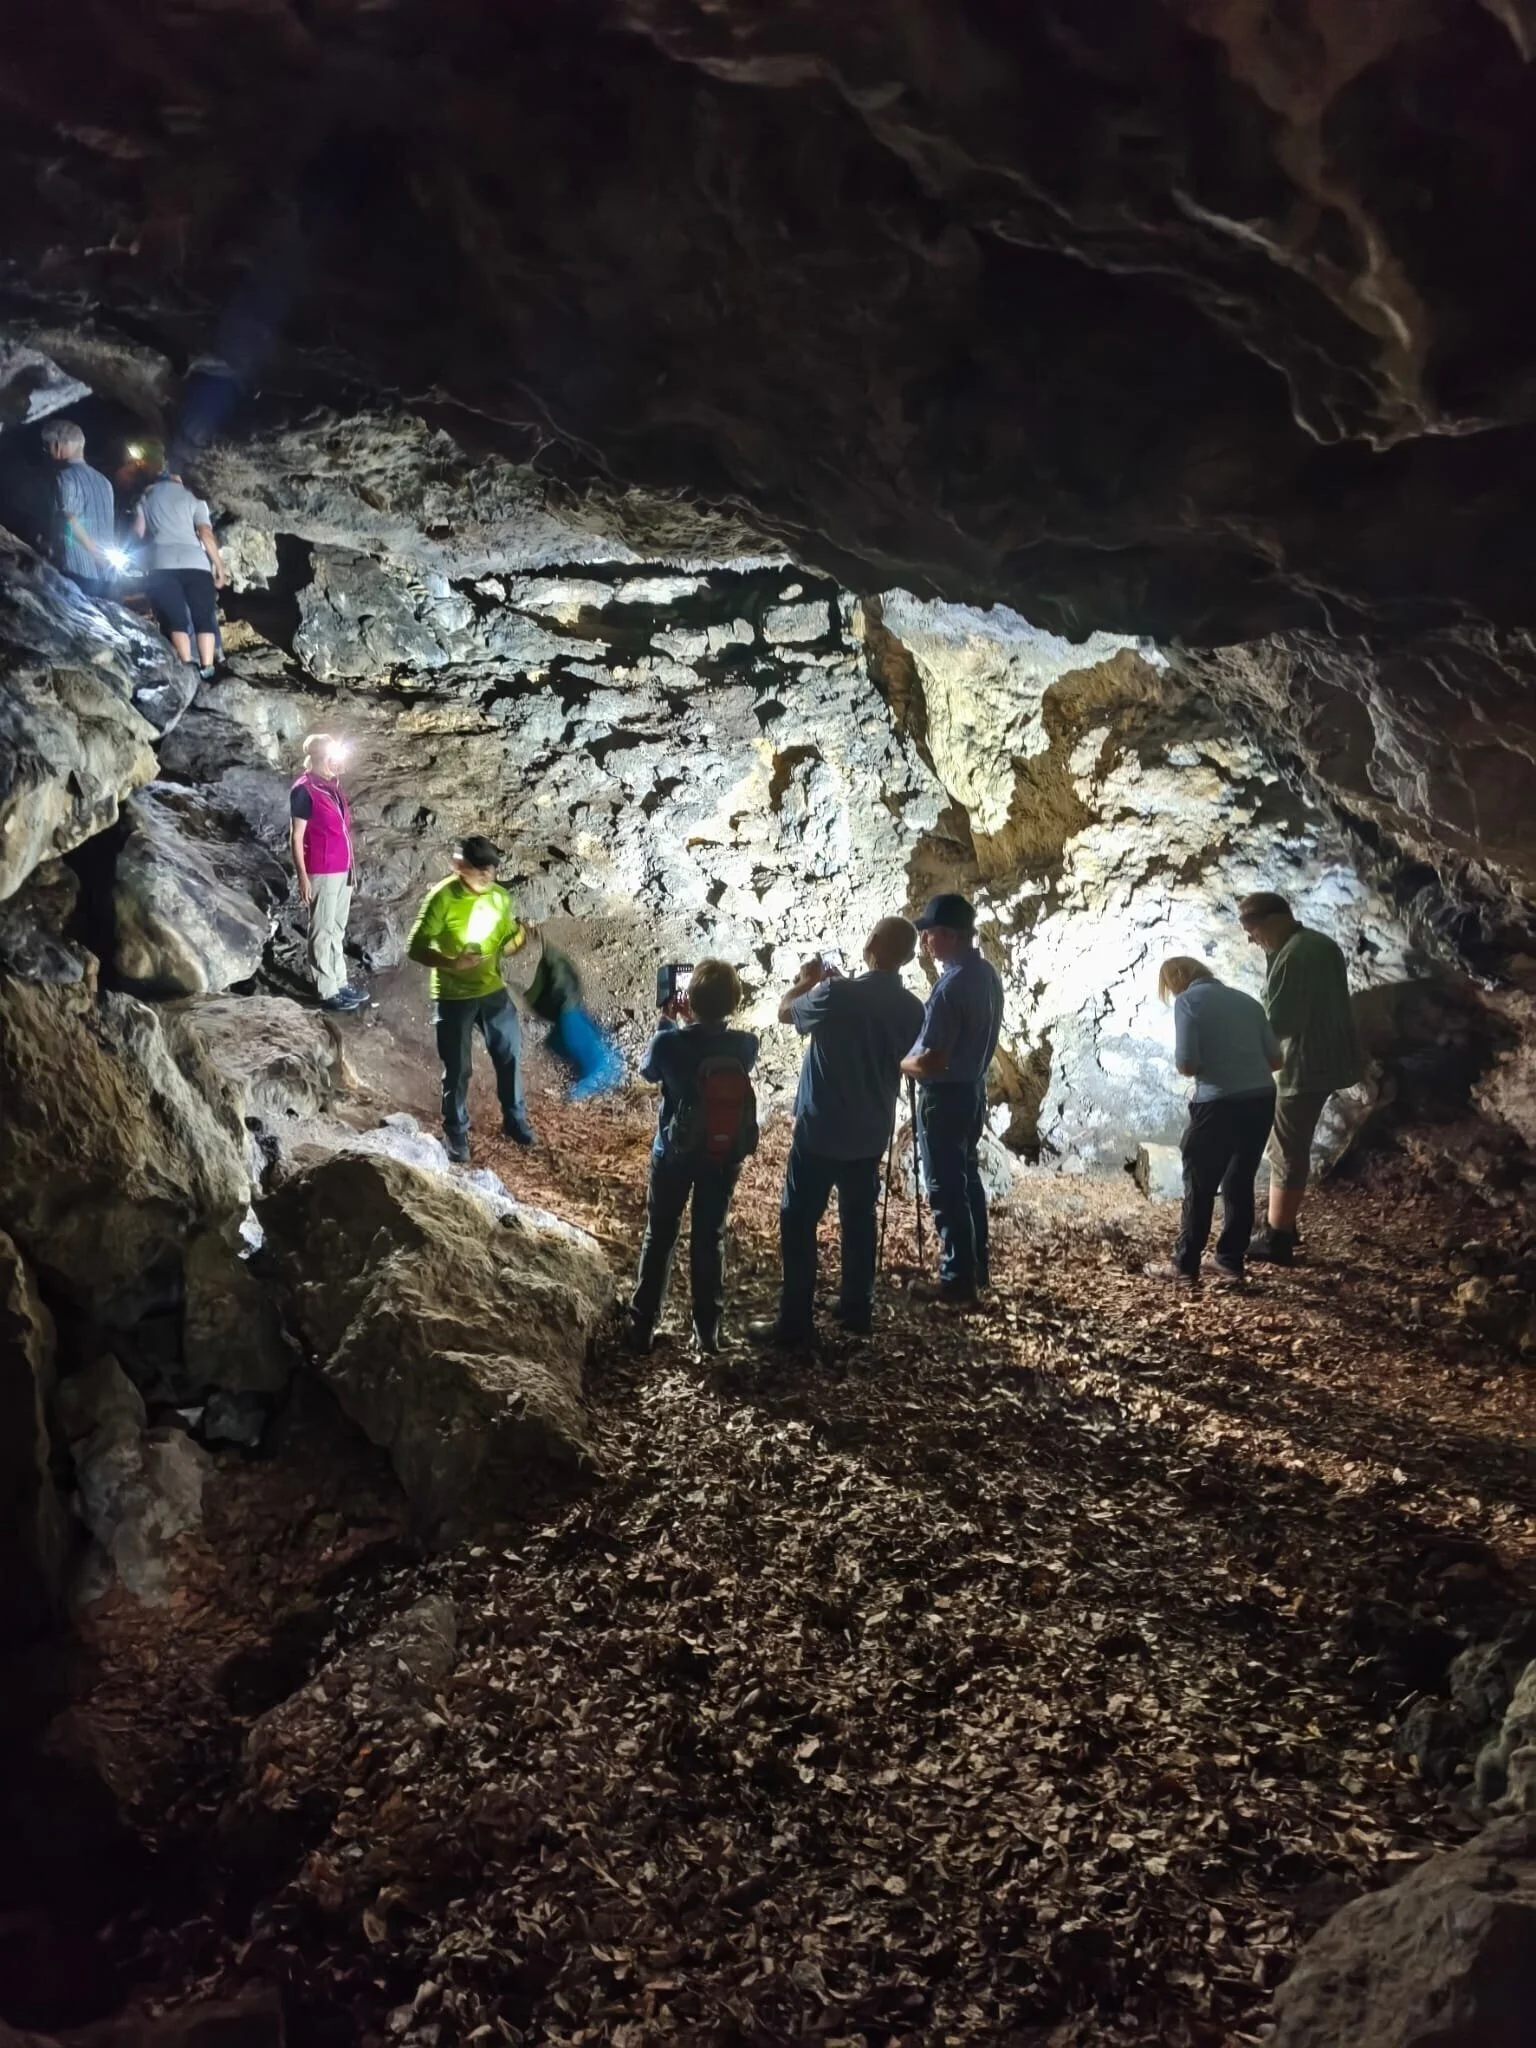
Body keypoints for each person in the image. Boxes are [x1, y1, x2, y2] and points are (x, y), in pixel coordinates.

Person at [750, 918, 925, 1346]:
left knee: (798, 1220)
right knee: (859, 1219)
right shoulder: (913, 1009)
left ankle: (795, 1323)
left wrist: (808, 981)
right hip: (870, 1132)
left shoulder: (834, 993)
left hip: (822, 1129)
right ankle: (856, 1308)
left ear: (873, 943)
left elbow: (786, 1011)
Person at [628, 959, 758, 1357]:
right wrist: (696, 1023)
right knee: (709, 1236)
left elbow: (649, 1072)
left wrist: (669, 1023)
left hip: (674, 1153)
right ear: (734, 1001)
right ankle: (707, 1332)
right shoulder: (746, 1044)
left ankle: (642, 1327)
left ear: (689, 999)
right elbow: (714, 1048)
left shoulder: (669, 1043)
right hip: (722, 1154)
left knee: (660, 1234)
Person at [1238, 891, 1365, 1264]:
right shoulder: (1318, 944)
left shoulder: (1295, 955)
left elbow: (1280, 1021)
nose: (1251, 940)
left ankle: (1277, 1236)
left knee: (1286, 1148)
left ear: (1274, 919)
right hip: (1326, 1058)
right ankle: (1283, 1222)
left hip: (1303, 1063)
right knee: (1290, 1144)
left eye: (1253, 930)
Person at [900, 894, 1005, 1305]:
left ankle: (957, 1279)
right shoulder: (986, 975)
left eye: (929, 933)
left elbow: (934, 1061)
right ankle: (976, 1268)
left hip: (944, 1097)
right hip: (972, 1092)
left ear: (949, 935)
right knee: (967, 1179)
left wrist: (900, 1063)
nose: (925, 941)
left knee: (945, 1187)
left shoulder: (951, 988)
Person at [407, 836, 535, 1162]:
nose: (487, 876)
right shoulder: (442, 898)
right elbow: (415, 947)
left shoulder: (499, 897)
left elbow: (506, 939)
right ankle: (456, 1130)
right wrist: (452, 962)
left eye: (491, 870)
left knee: (509, 1054)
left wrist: (518, 940)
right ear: (460, 866)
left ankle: (514, 1117)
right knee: (458, 1068)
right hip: (453, 996)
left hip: (491, 990)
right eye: (480, 869)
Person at [1156, 956, 1281, 1287]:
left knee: (1200, 1183)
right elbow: (1276, 1059)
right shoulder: (1247, 1001)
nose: (1172, 992)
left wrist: (1212, 1065)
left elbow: (1186, 1064)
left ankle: (1185, 1265)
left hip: (1218, 1102)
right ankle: (1229, 1261)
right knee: (1239, 1180)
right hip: (1261, 1098)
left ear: (1178, 979)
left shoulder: (1188, 1002)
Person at [289, 733, 366, 1012]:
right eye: (334, 756)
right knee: (322, 930)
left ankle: (340, 983)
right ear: (322, 757)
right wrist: (303, 877)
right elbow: (296, 836)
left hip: (343, 868)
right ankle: (327, 990)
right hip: (322, 870)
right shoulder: (304, 790)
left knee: (336, 929)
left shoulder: (333, 787)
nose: (339, 762)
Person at [132, 468, 228, 675]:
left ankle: (188, 669)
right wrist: (219, 565)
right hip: (196, 564)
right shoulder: (194, 497)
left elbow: (138, 534)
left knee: (176, 620)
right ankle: (208, 669)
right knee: (203, 617)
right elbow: (205, 533)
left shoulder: (147, 497)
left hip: (161, 564)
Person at [41, 421, 118, 601]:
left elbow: (70, 518)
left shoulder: (65, 478)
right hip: (106, 573)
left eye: (47, 447)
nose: (47, 452)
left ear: (58, 446)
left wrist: (94, 552)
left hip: (76, 567)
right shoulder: (104, 481)